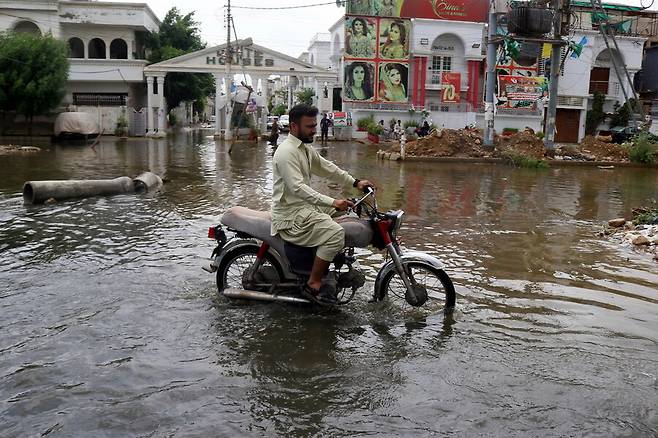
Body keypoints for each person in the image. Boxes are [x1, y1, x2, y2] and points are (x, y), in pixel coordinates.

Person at [271, 104, 375, 306]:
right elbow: (298, 188)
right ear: (293, 126)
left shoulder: (304, 149)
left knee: (351, 212)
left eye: (315, 125)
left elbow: (328, 168)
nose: (314, 130)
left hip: (304, 208)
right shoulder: (286, 152)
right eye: (309, 126)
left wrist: (355, 182)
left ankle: (330, 266)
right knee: (336, 233)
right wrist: (333, 202)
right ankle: (314, 282)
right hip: (291, 216)